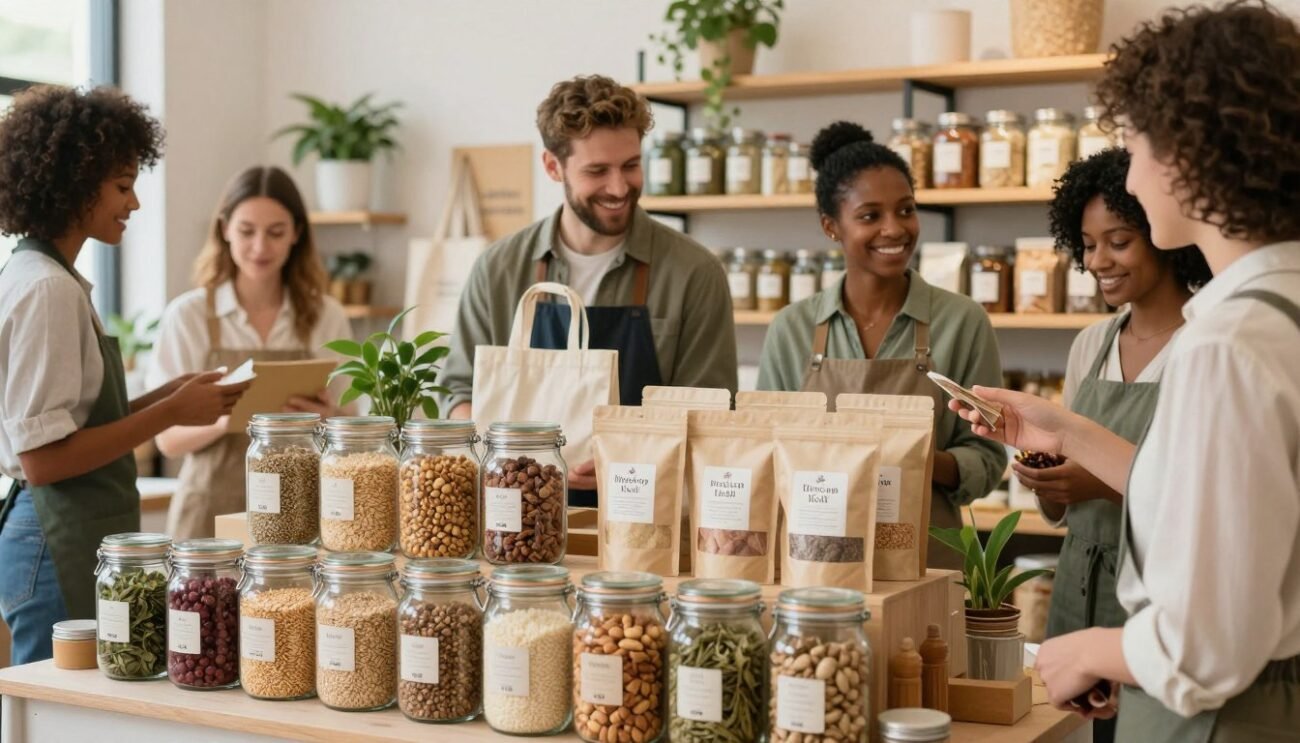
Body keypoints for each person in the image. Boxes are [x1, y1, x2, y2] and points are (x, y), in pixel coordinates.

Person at [950, 4, 1300, 740]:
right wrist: (1066, 429)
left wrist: (1094, 650)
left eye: (1137, 147)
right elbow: (1210, 500)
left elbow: (1209, 646)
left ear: (1192, 153)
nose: (1133, 178)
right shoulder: (1279, 309)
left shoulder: (1225, 345)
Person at [0, 85, 249, 664]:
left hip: (59, 530)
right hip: (53, 536)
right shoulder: (48, 290)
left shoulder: (44, 276)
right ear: (75, 183)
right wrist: (170, 414)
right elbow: (43, 459)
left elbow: (72, 421)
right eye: (121, 186)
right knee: (55, 701)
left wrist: (170, 395)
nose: (133, 203)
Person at [439, 74, 738, 506]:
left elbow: (711, 414)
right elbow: (458, 393)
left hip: (646, 513)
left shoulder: (694, 272)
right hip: (515, 518)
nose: (619, 188)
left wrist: (631, 457)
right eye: (597, 171)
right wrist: (514, 456)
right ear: (552, 166)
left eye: (631, 166)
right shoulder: (499, 269)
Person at [756, 121, 1006, 568]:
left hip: (929, 562)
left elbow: (986, 458)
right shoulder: (792, 329)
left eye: (905, 210)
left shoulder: (962, 321)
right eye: (870, 216)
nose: (894, 229)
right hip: (816, 561)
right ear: (831, 226)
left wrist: (916, 456)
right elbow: (767, 452)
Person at [1027, 147, 1211, 743]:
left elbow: (1202, 498)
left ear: (1164, 236)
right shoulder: (1091, 344)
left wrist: (1103, 483)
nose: (1098, 261)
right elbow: (1060, 508)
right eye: (1087, 245)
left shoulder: (1205, 346)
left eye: (1119, 241)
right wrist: (1048, 481)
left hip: (1155, 598)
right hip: (1075, 587)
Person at [150, 166, 352, 539]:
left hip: (301, 515)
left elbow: (352, 426)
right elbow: (168, 441)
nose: (260, 247)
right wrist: (225, 418)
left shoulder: (327, 315)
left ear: (296, 233)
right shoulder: (189, 315)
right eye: (246, 231)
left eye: (275, 232)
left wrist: (329, 419)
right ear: (225, 229)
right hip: (207, 516)